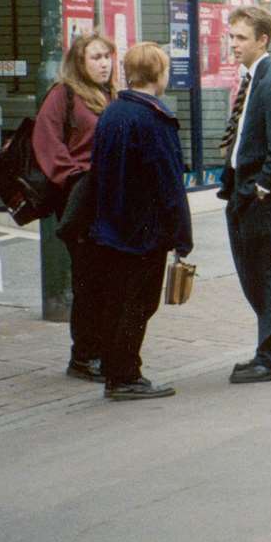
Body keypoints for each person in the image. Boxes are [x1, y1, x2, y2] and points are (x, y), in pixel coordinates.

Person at [85, 43, 193, 400]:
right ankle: (126, 375)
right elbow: (168, 183)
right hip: (145, 230)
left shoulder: (113, 112)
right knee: (140, 303)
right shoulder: (154, 118)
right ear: (159, 75)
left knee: (116, 300)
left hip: (111, 226)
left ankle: (116, 371)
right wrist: (182, 235)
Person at [218, 5, 271, 384]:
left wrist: (263, 187)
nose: (233, 44)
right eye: (231, 36)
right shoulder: (252, 79)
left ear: (262, 40)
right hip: (242, 192)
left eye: (241, 38)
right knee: (254, 274)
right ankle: (266, 349)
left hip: (262, 198)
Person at [34, 33, 116, 382]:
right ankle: (83, 355)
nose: (104, 64)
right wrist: (72, 179)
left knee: (104, 278)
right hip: (80, 197)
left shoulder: (109, 95)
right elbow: (47, 141)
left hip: (109, 197)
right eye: (96, 57)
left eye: (107, 57)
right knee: (88, 278)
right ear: (79, 62)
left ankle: (100, 349)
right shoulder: (63, 94)